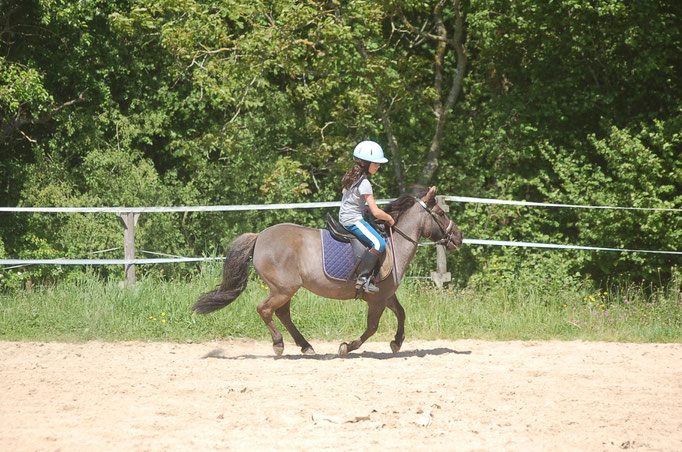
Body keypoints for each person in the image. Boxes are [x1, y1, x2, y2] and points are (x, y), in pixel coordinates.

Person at [339, 140, 395, 294]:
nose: (378, 166)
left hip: (344, 216)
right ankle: (363, 279)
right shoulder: (364, 182)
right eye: (375, 163)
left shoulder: (351, 177)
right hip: (353, 220)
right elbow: (376, 212)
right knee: (379, 244)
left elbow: (345, 193)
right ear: (365, 163)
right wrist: (389, 218)